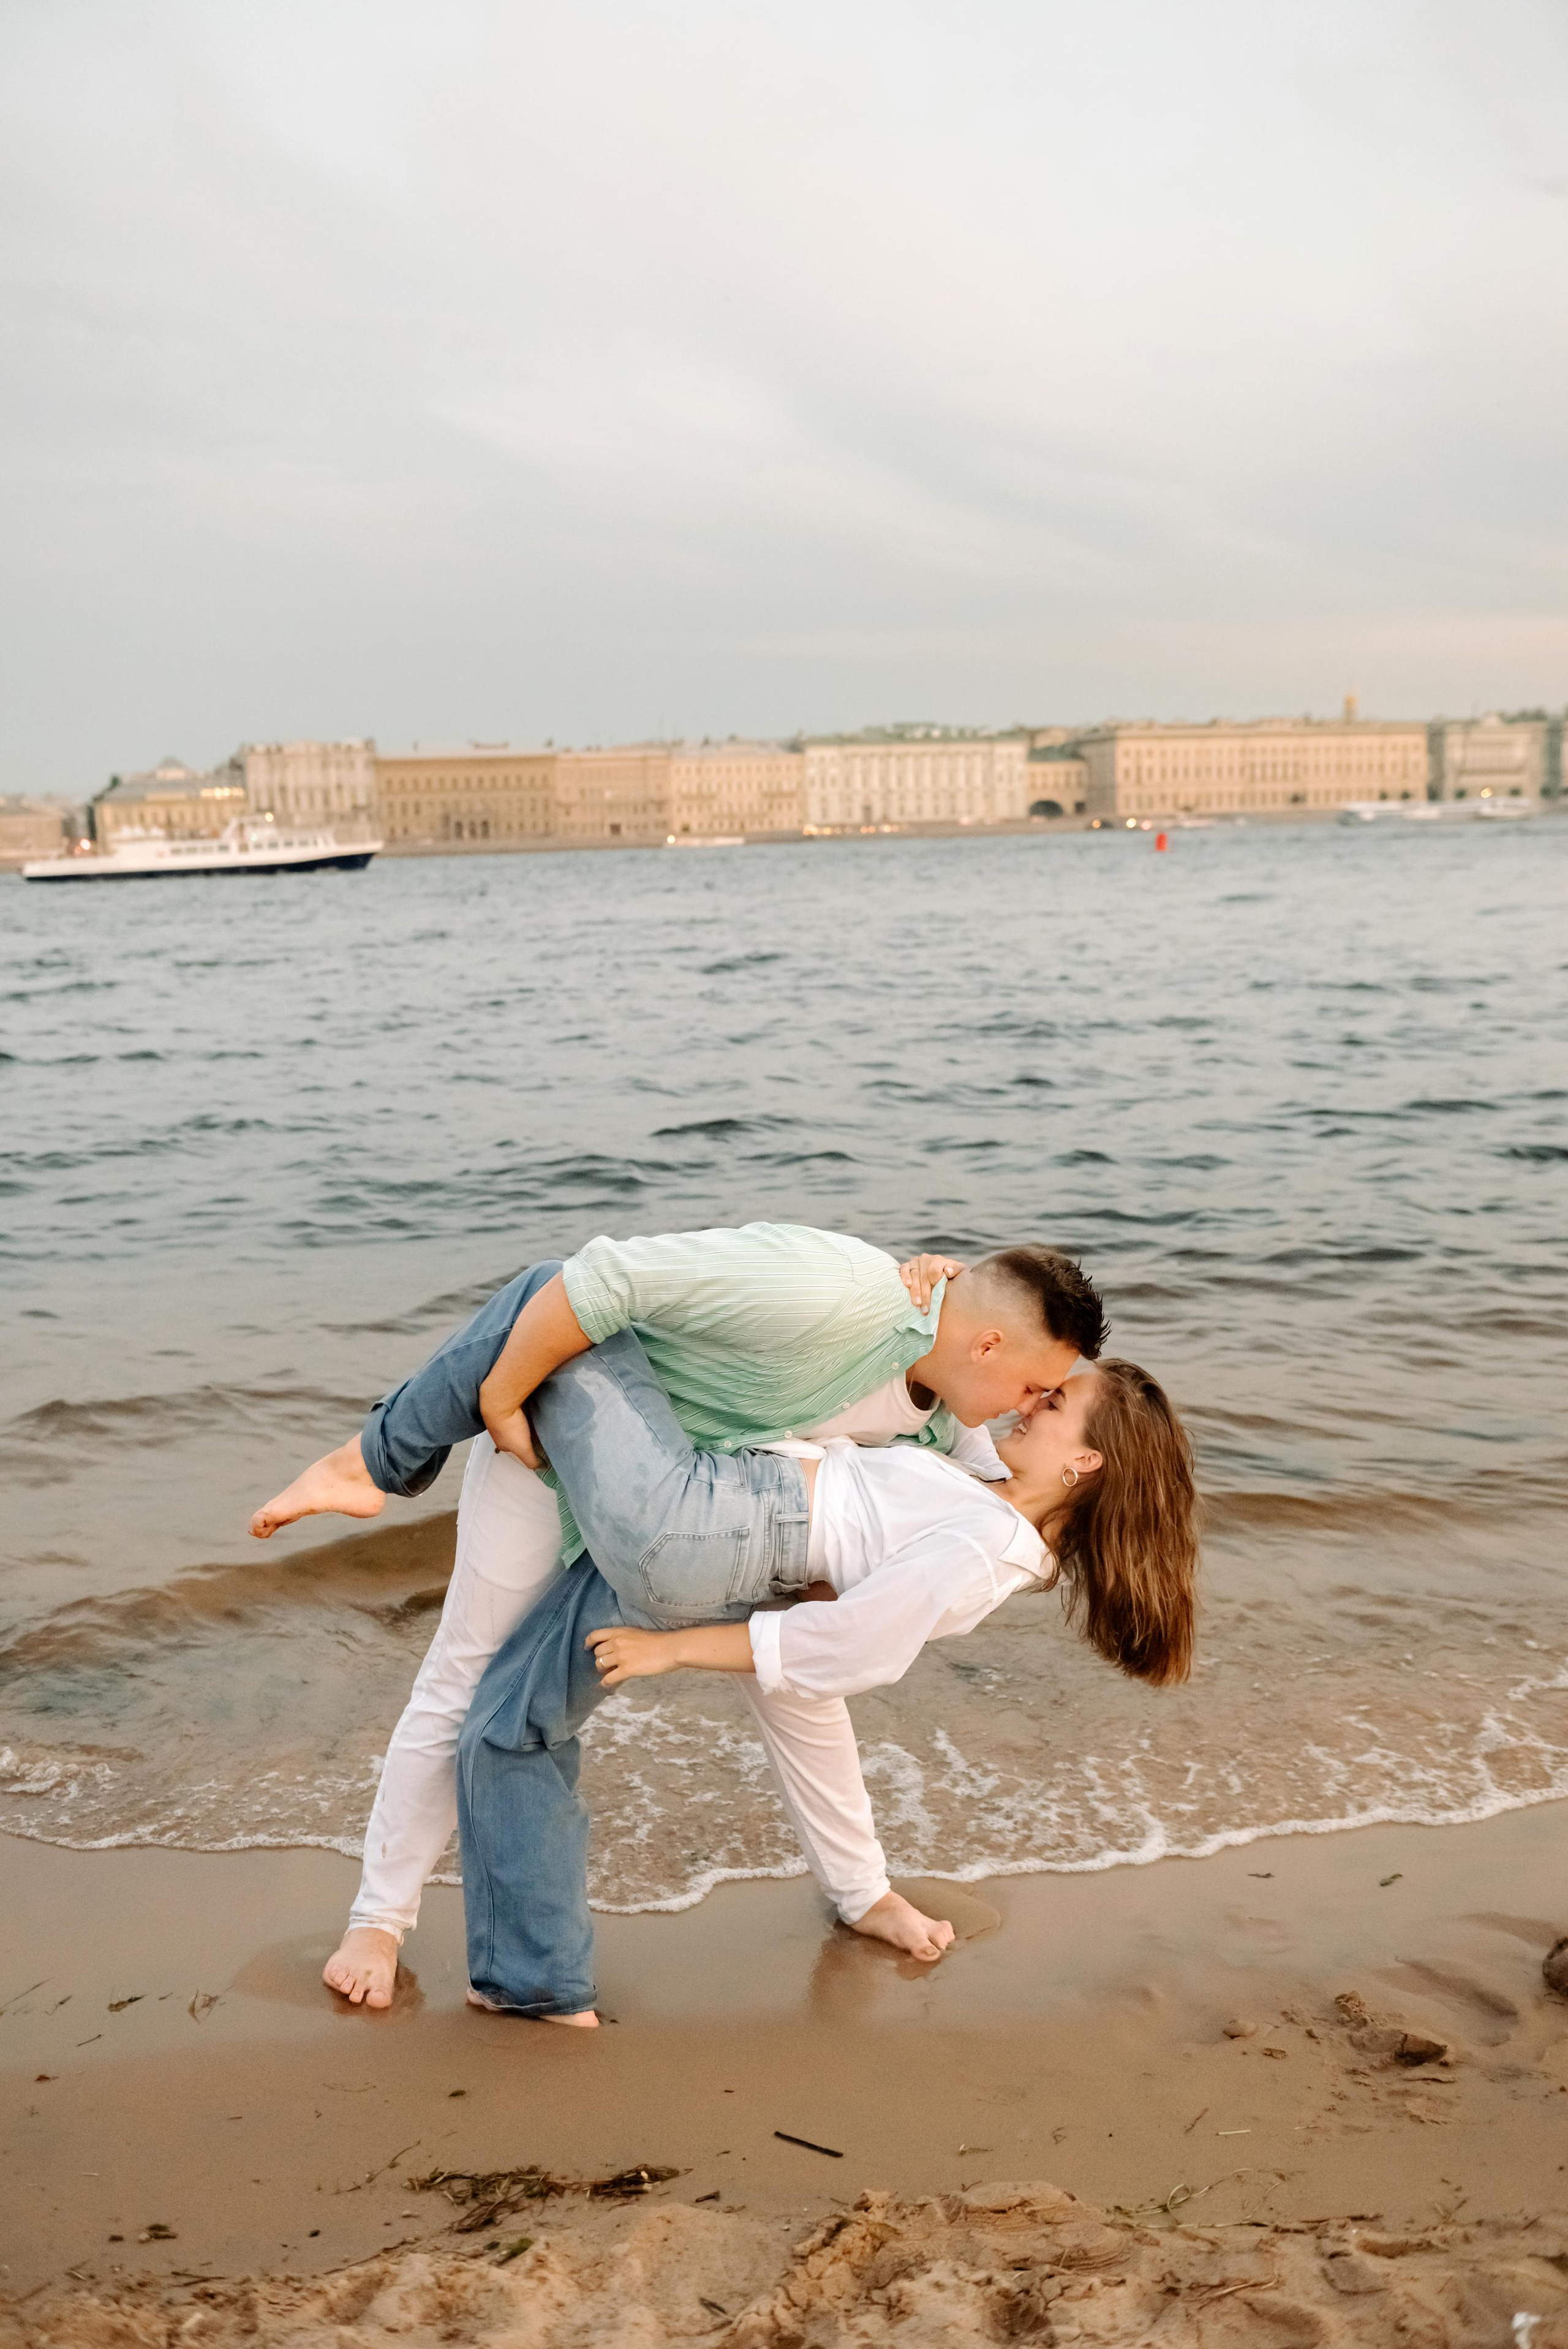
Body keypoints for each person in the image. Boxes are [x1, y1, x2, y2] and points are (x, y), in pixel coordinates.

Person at [249, 1225, 1107, 2008]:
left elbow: (1007, 1518)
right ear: (986, 1340)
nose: (1027, 1406)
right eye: (1033, 1386)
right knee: (468, 1672)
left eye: (1048, 1398)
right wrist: (503, 1401)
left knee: (794, 1689)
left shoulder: (953, 1430)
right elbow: (599, 1282)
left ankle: (859, 1888)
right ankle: (379, 1918)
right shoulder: (839, 1293)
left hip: (706, 1515)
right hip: (550, 1455)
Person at [453, 1334, 1196, 2023]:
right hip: (760, 1543)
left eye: (1055, 1403)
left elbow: (848, 1645)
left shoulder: (985, 1546)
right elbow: (958, 1393)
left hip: (727, 1540)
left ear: (1087, 1463)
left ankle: (538, 1988)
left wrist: (669, 1651)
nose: (1032, 1403)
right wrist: (938, 1302)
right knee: (811, 1727)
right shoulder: (992, 1493)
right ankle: (863, 1894)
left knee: (574, 1321)